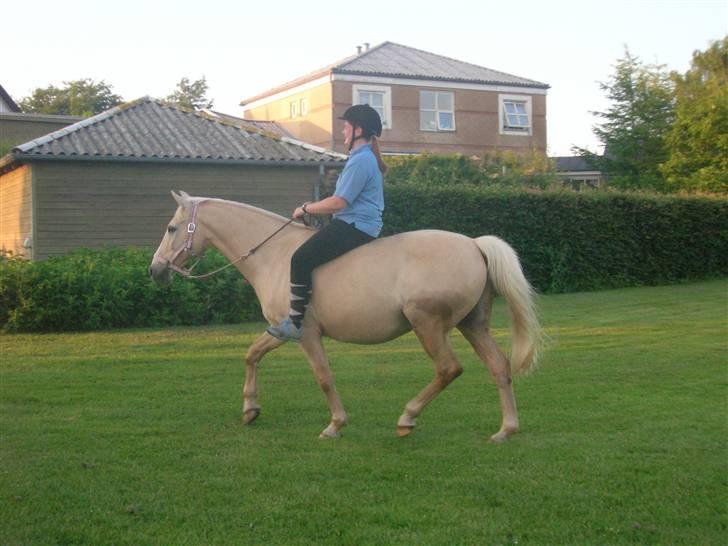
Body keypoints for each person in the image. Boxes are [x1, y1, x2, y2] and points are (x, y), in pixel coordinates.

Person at [266, 104, 387, 342]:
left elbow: (338, 203)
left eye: (346, 127)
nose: (342, 132)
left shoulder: (361, 161)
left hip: (354, 226)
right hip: (357, 224)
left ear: (358, 130)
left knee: (300, 258)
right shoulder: (361, 158)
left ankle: (295, 322)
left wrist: (305, 208)